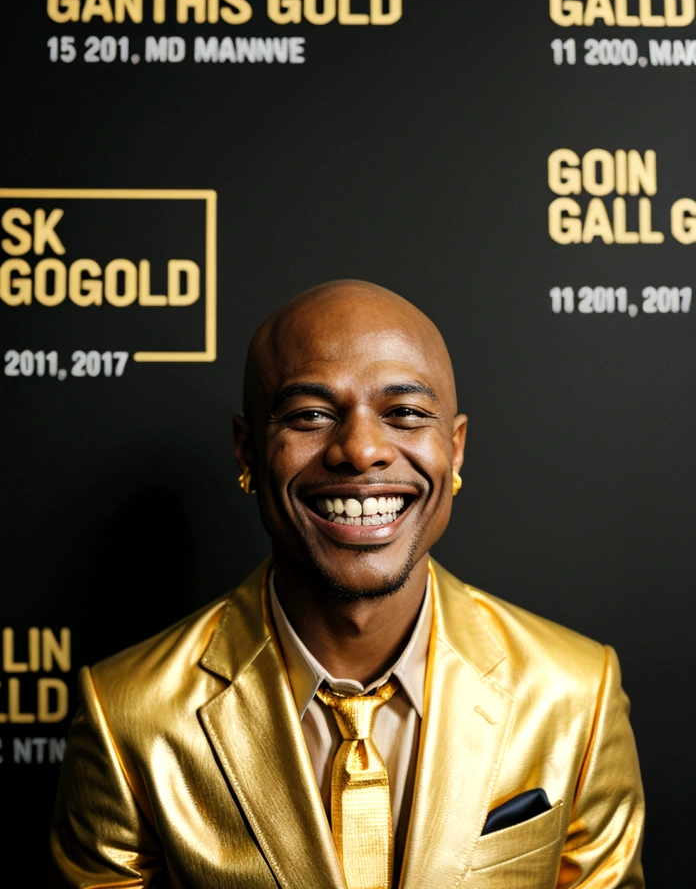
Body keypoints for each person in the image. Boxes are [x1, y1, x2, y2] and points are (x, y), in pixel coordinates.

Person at [50, 280, 645, 889]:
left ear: (456, 448)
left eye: (405, 414)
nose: (360, 450)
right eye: (311, 415)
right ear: (247, 451)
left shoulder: (577, 695)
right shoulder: (128, 717)